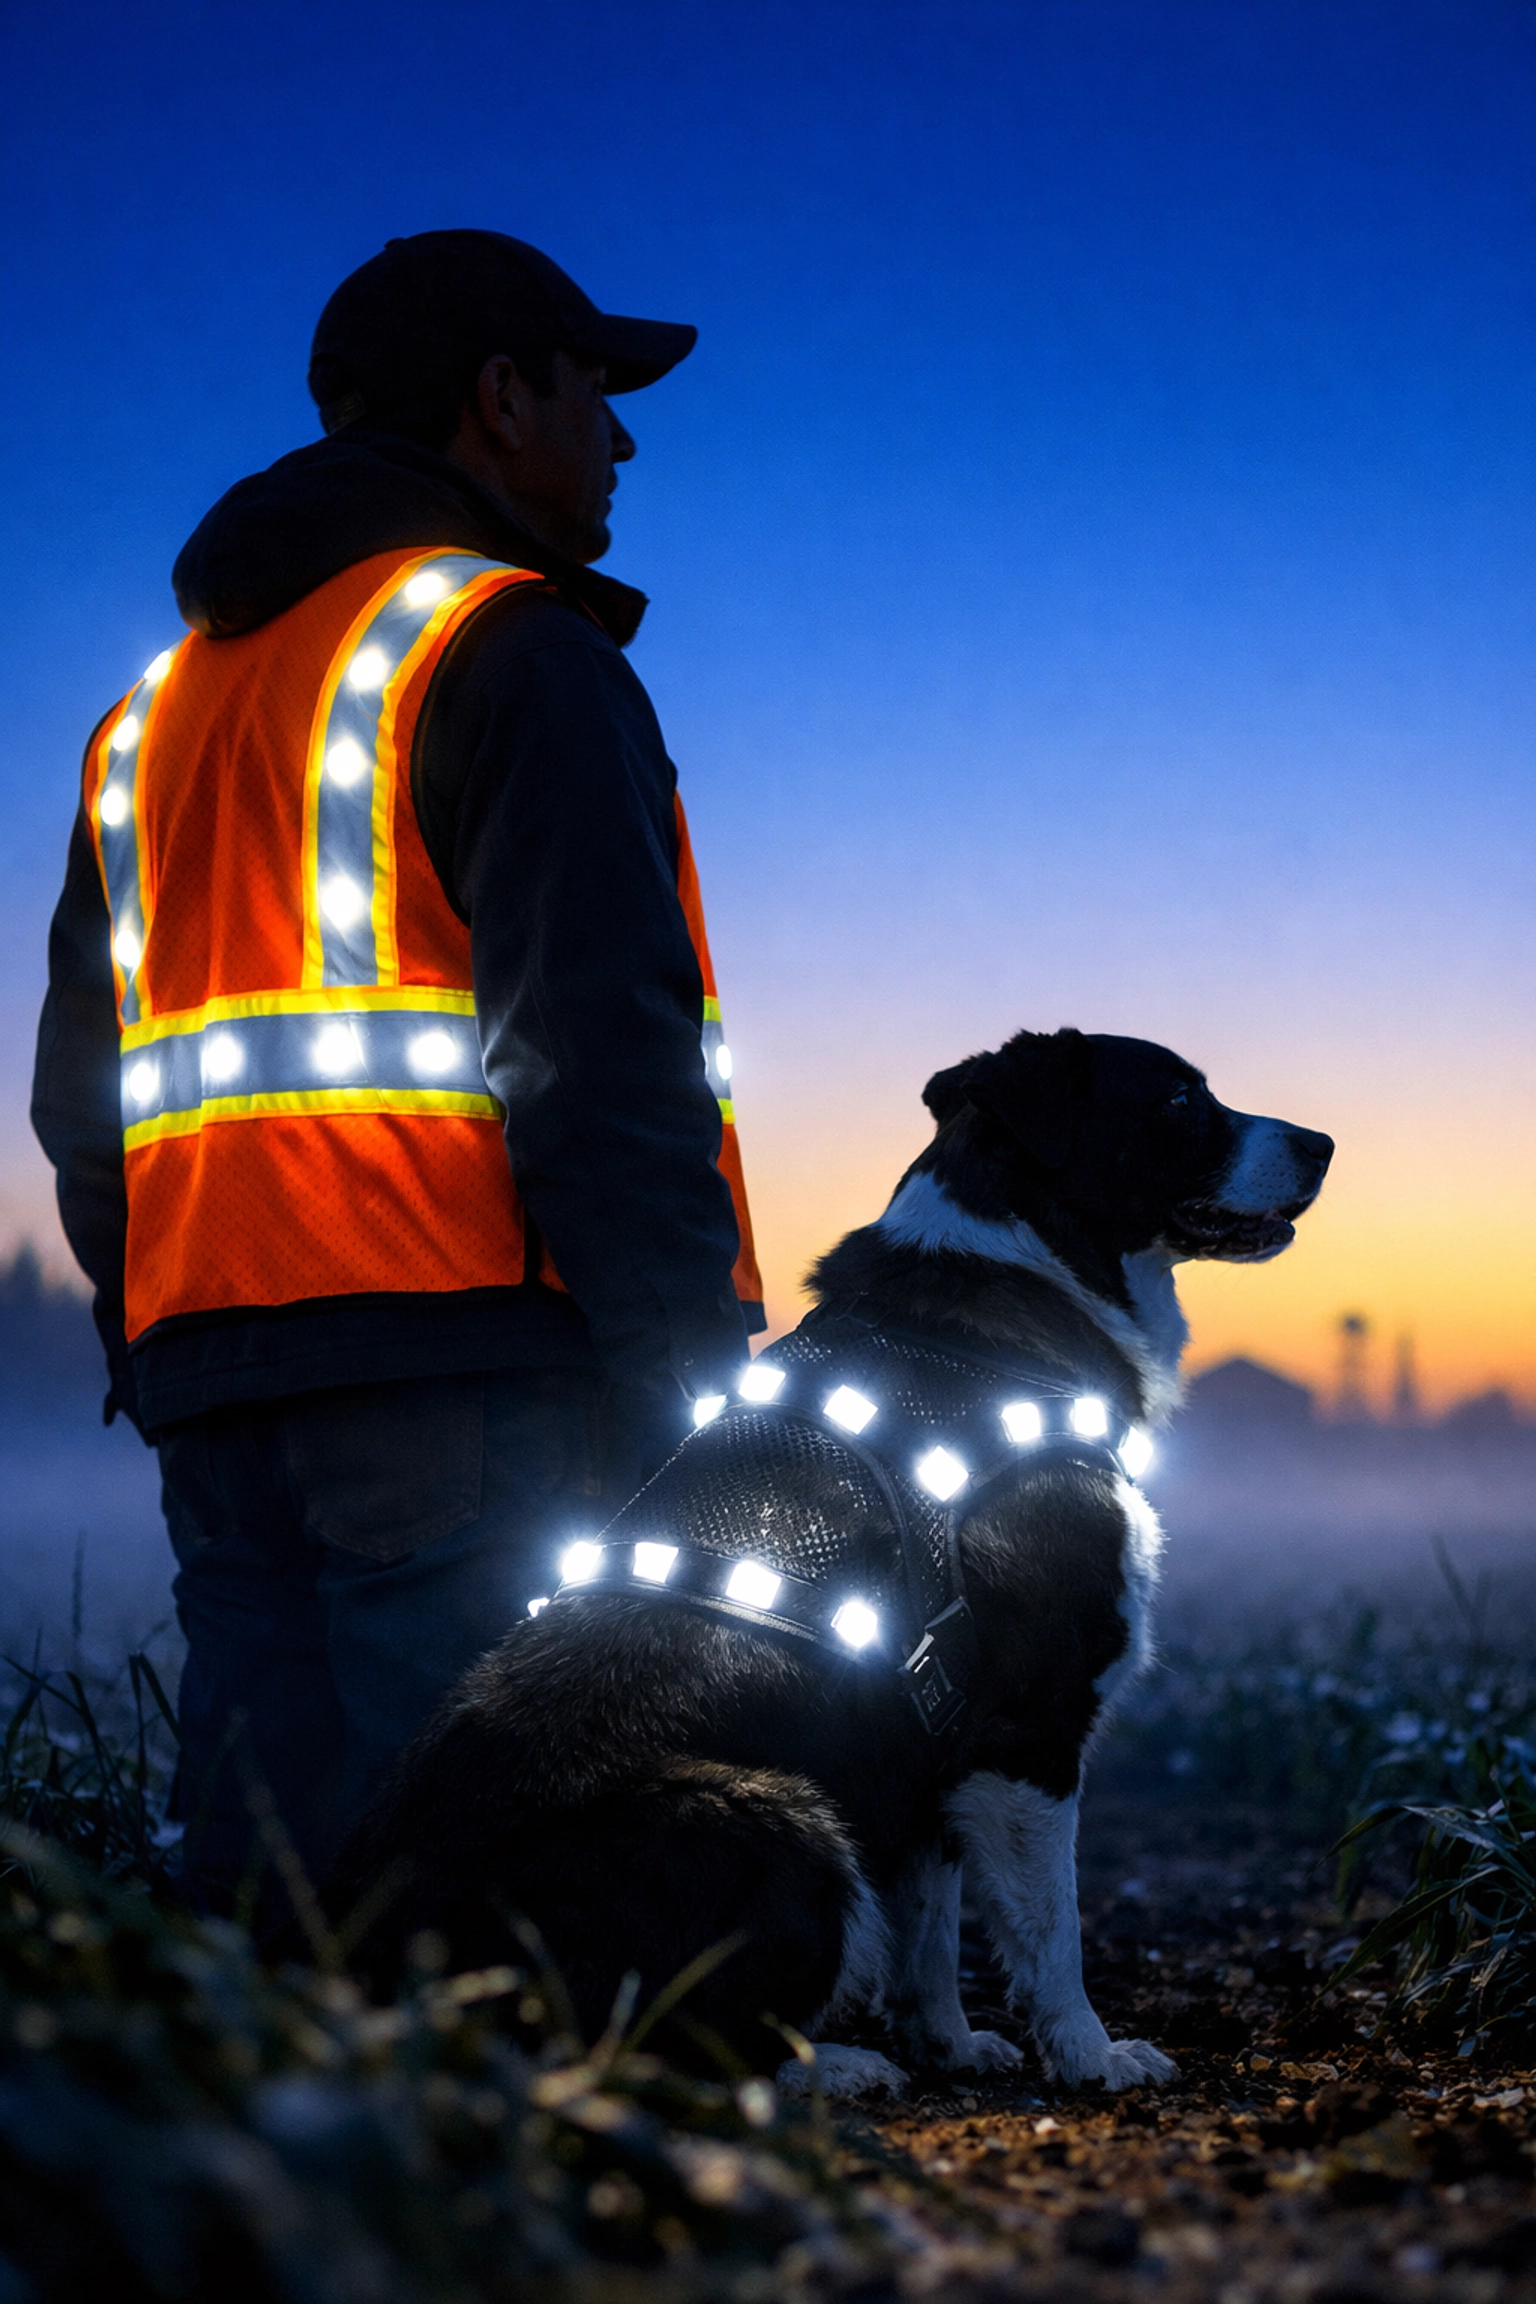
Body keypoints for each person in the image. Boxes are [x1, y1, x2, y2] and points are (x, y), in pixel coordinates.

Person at [31, 229, 763, 1916]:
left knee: (258, 1876)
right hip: (461, 1368)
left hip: (217, 1381)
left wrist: (158, 1333)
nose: (625, 440)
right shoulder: (513, 647)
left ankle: (249, 2173)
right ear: (502, 399)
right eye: (598, 391)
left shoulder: (151, 714)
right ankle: (484, 2164)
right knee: (481, 1865)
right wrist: (685, 1386)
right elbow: (602, 1057)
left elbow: (87, 1100)